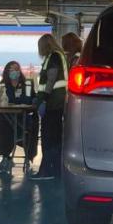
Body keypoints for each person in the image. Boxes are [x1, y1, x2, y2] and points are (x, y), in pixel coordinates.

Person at [32, 33, 68, 181]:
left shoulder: (53, 57)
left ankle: (48, 170)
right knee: (54, 137)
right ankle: (55, 170)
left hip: (53, 103)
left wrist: (44, 99)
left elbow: (51, 79)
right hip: (57, 103)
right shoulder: (57, 56)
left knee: (49, 137)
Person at [0, 61, 27, 175]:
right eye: (11, 70)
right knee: (0, 123)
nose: (14, 72)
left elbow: (28, 99)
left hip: (20, 118)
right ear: (7, 72)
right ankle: (5, 157)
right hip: (5, 117)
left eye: (16, 69)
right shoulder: (3, 84)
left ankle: (6, 158)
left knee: (8, 125)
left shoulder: (25, 84)